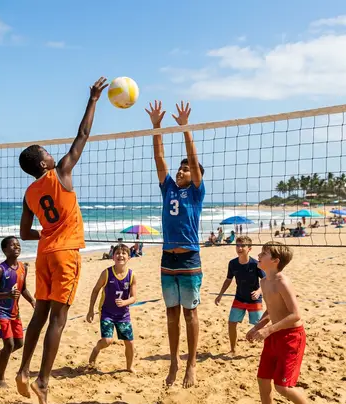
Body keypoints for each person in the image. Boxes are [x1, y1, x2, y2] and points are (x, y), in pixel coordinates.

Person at [16, 77, 108, 404]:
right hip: (66, 254)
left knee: (39, 314)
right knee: (58, 318)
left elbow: (25, 233)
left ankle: (24, 370)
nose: (54, 154)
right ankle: (42, 380)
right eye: (48, 153)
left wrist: (48, 234)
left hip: (43, 255)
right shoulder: (61, 173)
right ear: (44, 164)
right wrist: (93, 100)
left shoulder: (29, 193)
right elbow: (82, 136)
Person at [146, 100, 205, 388]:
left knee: (190, 313)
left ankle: (192, 364)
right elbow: (159, 159)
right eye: (180, 169)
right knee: (171, 314)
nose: (182, 171)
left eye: (186, 170)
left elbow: (193, 161)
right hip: (167, 259)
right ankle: (174, 361)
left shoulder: (195, 192)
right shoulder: (168, 187)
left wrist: (185, 129)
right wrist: (157, 127)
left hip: (190, 258)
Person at [246, 242, 320, 404]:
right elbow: (271, 310)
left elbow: (295, 314)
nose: (259, 255)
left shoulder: (282, 282)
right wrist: (257, 327)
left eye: (264, 253)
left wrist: (268, 330)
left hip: (291, 337)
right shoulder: (264, 281)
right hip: (273, 335)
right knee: (262, 378)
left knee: (282, 386)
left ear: (275, 261)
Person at [0, 236, 35, 388]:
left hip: (14, 311)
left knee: (19, 343)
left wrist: (33, 301)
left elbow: (23, 289)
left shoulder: (23, 267)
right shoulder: (0, 269)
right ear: (5, 250)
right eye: (12, 245)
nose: (16, 247)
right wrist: (7, 294)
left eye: (18, 244)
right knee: (9, 344)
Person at [86, 244, 137, 372]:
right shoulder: (107, 273)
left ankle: (129, 367)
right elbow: (95, 290)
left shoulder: (131, 275)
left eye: (124, 253)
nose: (121, 255)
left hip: (123, 314)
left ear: (129, 257)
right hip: (107, 312)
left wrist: (125, 302)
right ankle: (96, 350)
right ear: (113, 257)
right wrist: (91, 309)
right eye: (117, 253)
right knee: (107, 341)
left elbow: (134, 297)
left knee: (129, 343)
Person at [215, 236, 265, 355]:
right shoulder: (232, 263)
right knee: (231, 323)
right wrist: (220, 295)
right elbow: (228, 280)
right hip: (239, 298)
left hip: (254, 299)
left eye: (243, 246)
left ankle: (266, 350)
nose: (240, 248)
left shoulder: (256, 264)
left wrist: (259, 291)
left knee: (260, 326)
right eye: (237, 245)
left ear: (249, 249)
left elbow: (265, 280)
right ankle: (233, 349)